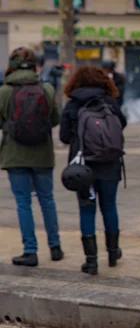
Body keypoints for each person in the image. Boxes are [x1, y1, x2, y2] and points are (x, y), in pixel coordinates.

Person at [60, 65, 127, 275]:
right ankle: (113, 253)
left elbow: (63, 136)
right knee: (109, 207)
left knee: (86, 209)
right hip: (110, 164)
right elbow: (122, 124)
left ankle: (91, 261)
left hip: (83, 167)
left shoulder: (72, 105)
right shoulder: (110, 102)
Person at [0, 47, 63, 267]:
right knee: (47, 200)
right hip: (43, 155)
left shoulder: (5, 91)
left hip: (15, 156)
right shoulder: (46, 89)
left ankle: (30, 251)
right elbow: (55, 120)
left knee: (23, 203)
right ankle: (55, 247)